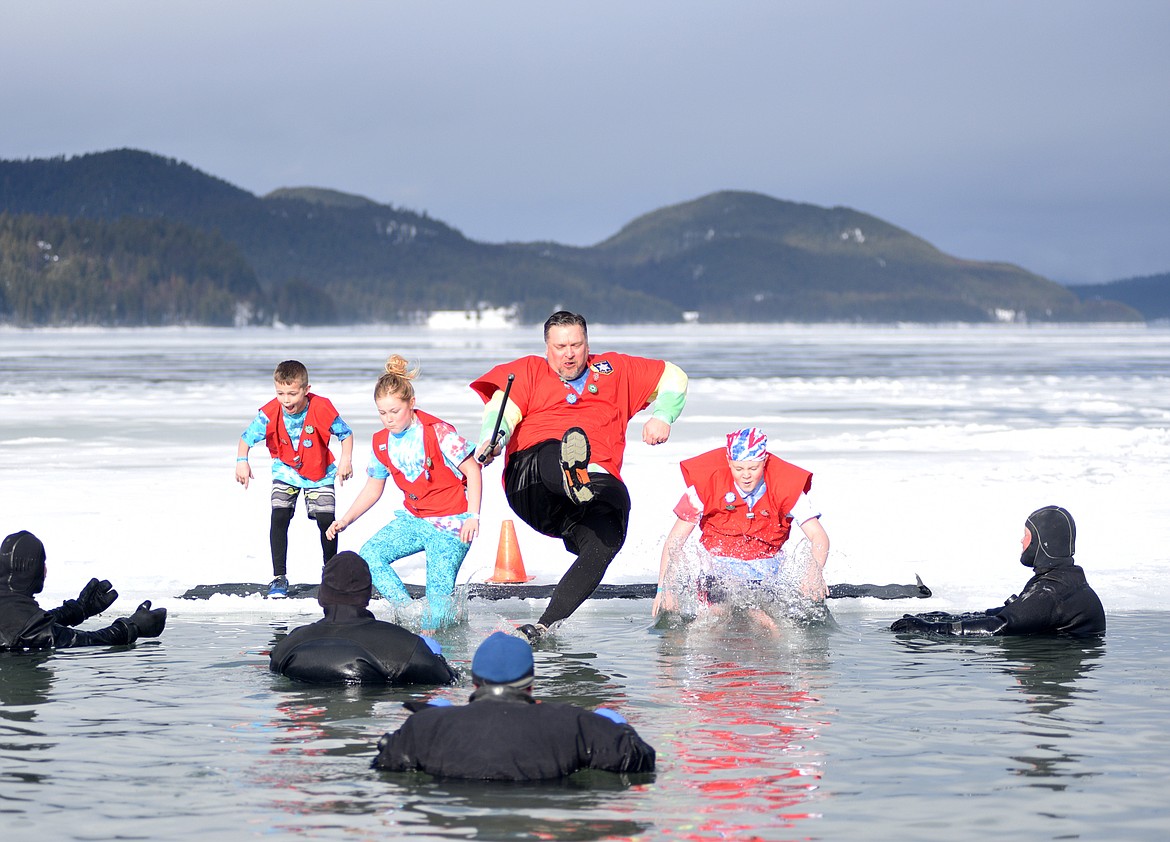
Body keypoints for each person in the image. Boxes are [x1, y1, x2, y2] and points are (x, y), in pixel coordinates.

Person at [470, 311, 688, 641]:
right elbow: (503, 409)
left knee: (609, 531)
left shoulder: (615, 370)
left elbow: (673, 376)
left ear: (587, 344)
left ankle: (544, 625)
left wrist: (664, 415)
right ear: (547, 347)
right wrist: (494, 439)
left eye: (576, 344)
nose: (569, 353)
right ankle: (572, 475)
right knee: (554, 449)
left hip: (593, 486)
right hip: (532, 482)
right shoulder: (529, 370)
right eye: (560, 346)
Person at [326, 355, 482, 629]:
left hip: (451, 524)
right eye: (382, 413)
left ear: (411, 404)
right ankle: (408, 611)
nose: (388, 419)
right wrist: (346, 519)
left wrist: (473, 516)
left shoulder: (438, 432)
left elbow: (473, 471)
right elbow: (373, 487)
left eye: (394, 411)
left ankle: (440, 632)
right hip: (415, 519)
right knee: (370, 555)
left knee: (437, 615)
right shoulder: (381, 443)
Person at [371, 631, 656, 780]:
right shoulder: (576, 724)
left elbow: (385, 764)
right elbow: (641, 761)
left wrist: (429, 722)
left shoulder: (427, 726)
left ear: (475, 683)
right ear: (531, 683)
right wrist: (615, 725)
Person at [652, 428, 830, 625]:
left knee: (766, 622)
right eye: (738, 469)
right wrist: (664, 588)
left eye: (753, 469)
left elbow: (818, 537)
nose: (746, 475)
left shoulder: (786, 488)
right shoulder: (703, 488)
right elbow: (675, 540)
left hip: (764, 573)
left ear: (764, 462)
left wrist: (814, 571)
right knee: (715, 617)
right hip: (718, 572)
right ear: (729, 462)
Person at [890, 505, 1106, 637]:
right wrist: (945, 617)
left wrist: (929, 629)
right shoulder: (1065, 581)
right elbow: (1013, 613)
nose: (1022, 541)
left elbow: (1000, 626)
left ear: (1043, 542)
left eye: (1027, 535)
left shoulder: (1050, 592)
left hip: (1053, 662)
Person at [236, 359, 354, 598]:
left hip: (319, 471)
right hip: (285, 469)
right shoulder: (270, 412)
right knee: (279, 516)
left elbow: (346, 434)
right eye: (280, 393)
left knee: (326, 521)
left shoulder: (321, 408)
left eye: (292, 393)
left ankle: (331, 574)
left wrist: (345, 460)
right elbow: (246, 438)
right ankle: (279, 577)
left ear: (306, 390)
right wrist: (242, 461)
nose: (286, 400)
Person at [269, 551, 458, 685]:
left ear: (322, 596)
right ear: (366, 595)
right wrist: (437, 657)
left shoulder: (287, 645)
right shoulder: (404, 646)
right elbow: (448, 680)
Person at [1, 530, 167, 650]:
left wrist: (78, 609)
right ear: (31, 569)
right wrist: (132, 627)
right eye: (41, 563)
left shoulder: (12, 612)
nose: (45, 570)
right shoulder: (23, 624)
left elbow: (31, 626)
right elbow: (84, 641)